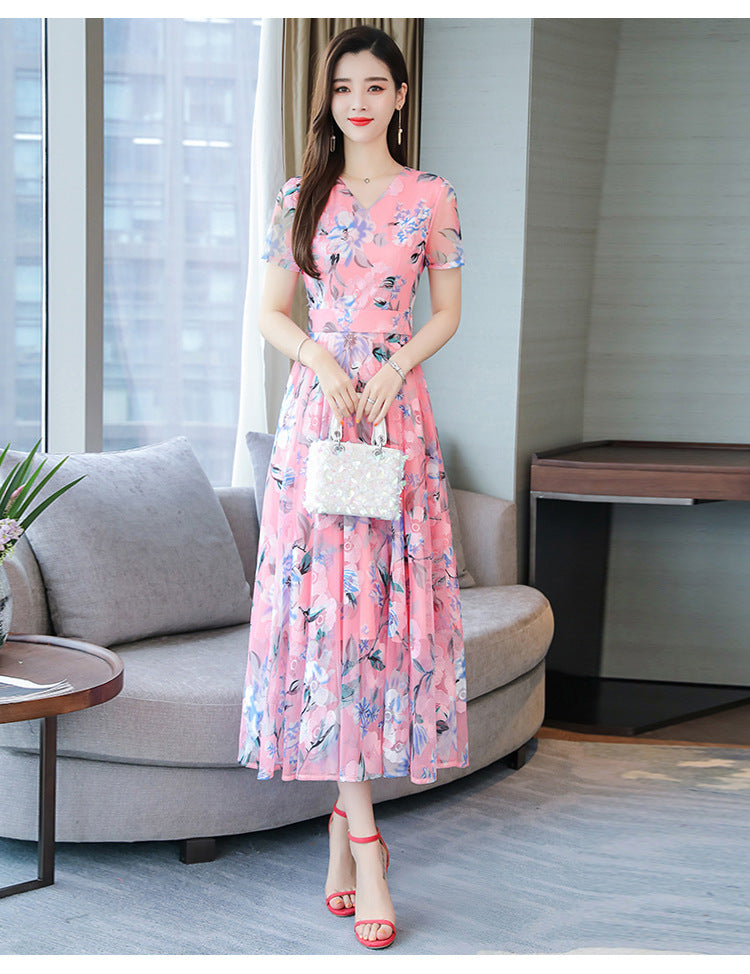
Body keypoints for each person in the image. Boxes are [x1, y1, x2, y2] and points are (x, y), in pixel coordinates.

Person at [238, 25, 469, 950]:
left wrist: (388, 369)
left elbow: (447, 311)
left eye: (377, 85)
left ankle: (342, 826)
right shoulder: (302, 197)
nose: (359, 101)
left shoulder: (431, 196)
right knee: (326, 615)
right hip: (317, 416)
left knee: (380, 612)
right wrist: (324, 364)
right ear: (328, 100)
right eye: (343, 88)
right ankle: (367, 841)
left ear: (401, 96)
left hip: (395, 416)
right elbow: (269, 312)